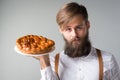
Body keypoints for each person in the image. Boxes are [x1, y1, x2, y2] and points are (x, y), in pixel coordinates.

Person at [35, 2, 120, 80]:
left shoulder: (108, 59)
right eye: (68, 29)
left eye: (78, 28)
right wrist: (44, 60)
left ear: (87, 25)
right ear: (61, 30)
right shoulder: (53, 63)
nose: (74, 34)